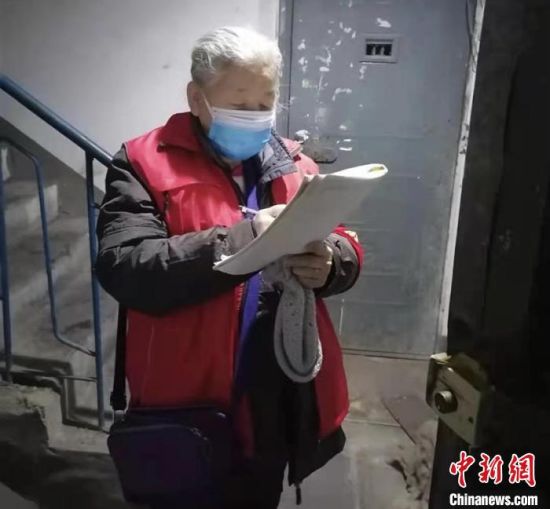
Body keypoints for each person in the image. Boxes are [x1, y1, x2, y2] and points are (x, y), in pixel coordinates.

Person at [96, 26, 363, 509]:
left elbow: (343, 240)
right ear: (197, 98)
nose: (255, 116)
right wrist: (244, 239)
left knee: (258, 493)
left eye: (265, 102)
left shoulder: (294, 165)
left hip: (272, 395)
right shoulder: (143, 162)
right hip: (187, 398)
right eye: (240, 104)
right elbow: (125, 266)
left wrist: (332, 263)